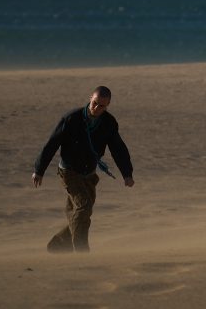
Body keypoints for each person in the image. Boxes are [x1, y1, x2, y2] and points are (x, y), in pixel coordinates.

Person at [32, 86, 134, 252]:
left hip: (89, 173)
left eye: (102, 106)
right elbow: (52, 144)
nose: (96, 108)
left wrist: (127, 174)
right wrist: (39, 169)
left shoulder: (109, 123)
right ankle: (81, 252)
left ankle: (58, 244)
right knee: (84, 206)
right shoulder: (72, 119)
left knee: (82, 214)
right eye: (94, 103)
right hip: (69, 171)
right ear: (90, 98)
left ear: (107, 105)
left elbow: (118, 149)